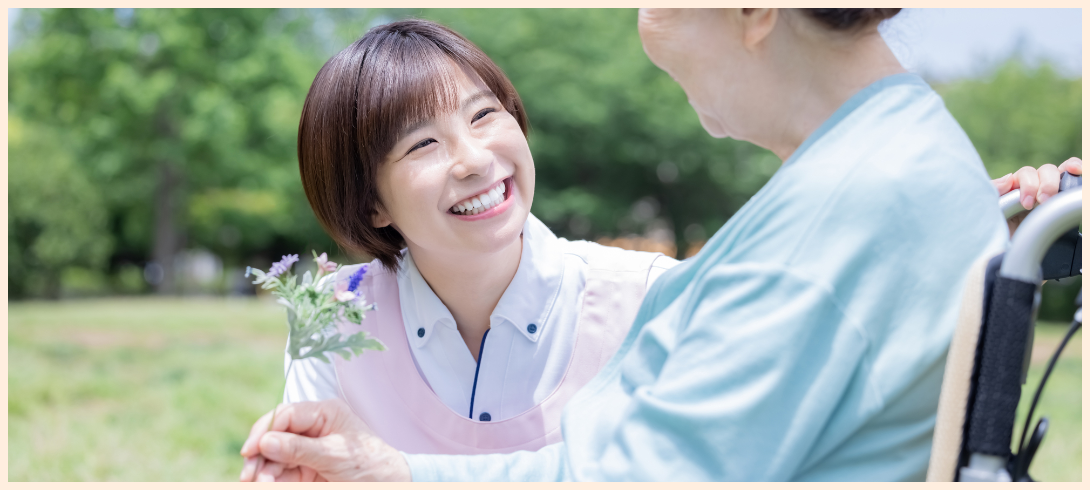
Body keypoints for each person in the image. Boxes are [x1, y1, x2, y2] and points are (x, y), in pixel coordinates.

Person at [240, 9, 1081, 482]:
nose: (642, 26)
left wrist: (394, 474)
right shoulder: (893, 169)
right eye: (419, 144)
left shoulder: (844, 215)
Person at [269, 18, 678, 462]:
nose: (475, 160)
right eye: (423, 143)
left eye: (483, 115)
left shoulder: (653, 298)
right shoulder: (331, 316)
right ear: (371, 205)